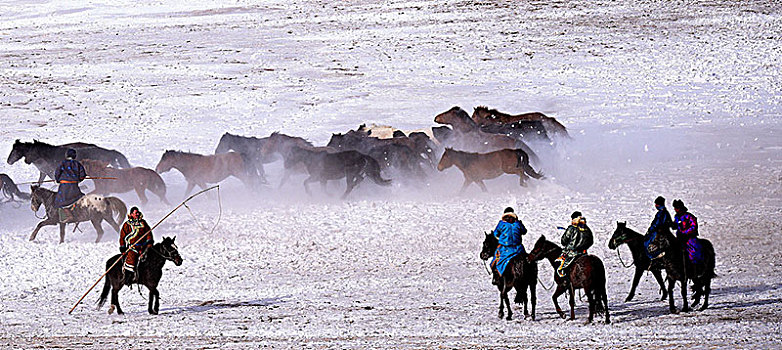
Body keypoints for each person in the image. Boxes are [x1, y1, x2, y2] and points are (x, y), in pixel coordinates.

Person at [490, 207, 527, 285]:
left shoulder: (501, 224)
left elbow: (495, 234)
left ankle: (496, 277)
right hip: (518, 249)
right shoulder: (518, 223)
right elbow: (524, 231)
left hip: (505, 249)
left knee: (495, 260)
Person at [119, 207, 154, 286]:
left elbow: (148, 232)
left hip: (144, 246)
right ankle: (128, 278)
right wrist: (122, 246)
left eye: (138, 212)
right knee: (131, 260)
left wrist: (149, 241)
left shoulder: (143, 223)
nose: (137, 214)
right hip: (133, 247)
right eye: (135, 213)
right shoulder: (127, 225)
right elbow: (122, 236)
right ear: (131, 214)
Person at [556, 211, 593, 278]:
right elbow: (590, 241)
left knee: (561, 268)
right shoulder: (587, 229)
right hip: (583, 253)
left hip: (572, 253)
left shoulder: (571, 228)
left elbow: (564, 241)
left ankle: (565, 280)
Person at [54, 148, 86, 222]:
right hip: (74, 186)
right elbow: (82, 175)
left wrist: (58, 180)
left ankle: (69, 215)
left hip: (64, 186)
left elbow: (57, 173)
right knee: (77, 198)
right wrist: (78, 180)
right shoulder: (78, 164)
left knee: (60, 201)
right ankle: (78, 213)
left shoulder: (62, 163)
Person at [672, 199, 703, 269]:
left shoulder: (689, 216)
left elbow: (693, 226)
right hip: (680, 237)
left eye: (676, 208)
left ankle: (695, 266)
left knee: (693, 250)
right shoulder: (677, 217)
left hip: (689, 237)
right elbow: (676, 225)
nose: (675, 210)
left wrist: (685, 232)